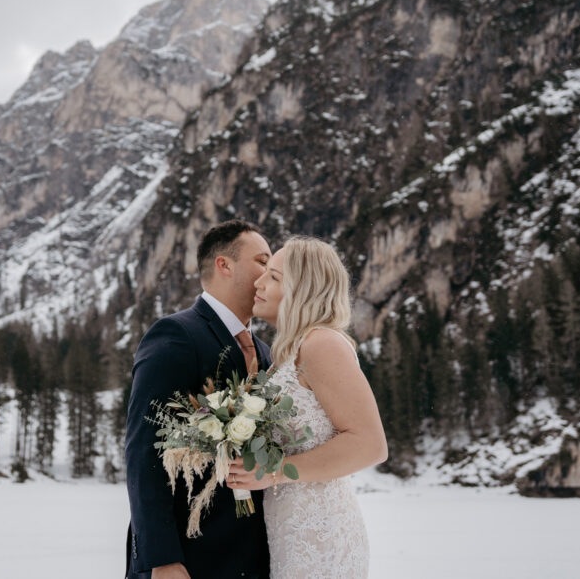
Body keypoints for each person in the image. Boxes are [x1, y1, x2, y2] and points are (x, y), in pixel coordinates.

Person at [227, 236, 388, 579]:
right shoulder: (287, 353)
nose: (259, 282)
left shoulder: (322, 344)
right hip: (289, 529)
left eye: (273, 277)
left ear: (304, 288)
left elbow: (370, 444)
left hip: (320, 534)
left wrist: (273, 471)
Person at [124, 220, 274, 579]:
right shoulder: (177, 334)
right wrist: (161, 558)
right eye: (262, 261)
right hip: (189, 557)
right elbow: (145, 450)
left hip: (253, 558)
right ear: (224, 265)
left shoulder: (266, 353)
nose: (270, 275)